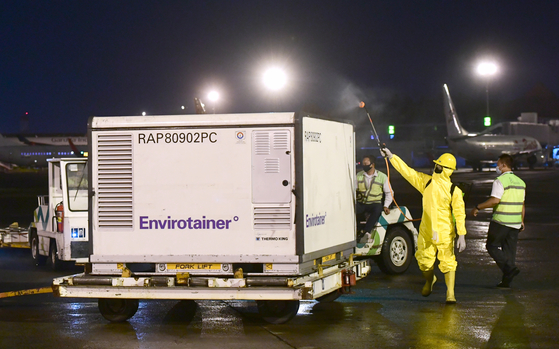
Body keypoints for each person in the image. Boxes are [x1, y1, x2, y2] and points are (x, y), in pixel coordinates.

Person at [380, 148, 466, 304]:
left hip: (445, 232)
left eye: (440, 166)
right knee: (424, 263)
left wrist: (462, 234)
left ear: (447, 170)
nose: (436, 167)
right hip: (426, 231)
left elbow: (460, 213)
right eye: (437, 165)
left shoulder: (455, 191)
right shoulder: (426, 182)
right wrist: (392, 157)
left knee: (448, 262)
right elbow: (407, 172)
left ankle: (450, 294)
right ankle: (430, 279)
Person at [470, 154, 525, 288]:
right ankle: (506, 281)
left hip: (501, 220)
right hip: (516, 222)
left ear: (504, 165)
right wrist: (522, 221)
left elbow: (495, 200)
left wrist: (478, 207)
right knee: (509, 251)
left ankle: (510, 268)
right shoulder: (521, 182)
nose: (497, 166)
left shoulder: (500, 181)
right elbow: (522, 204)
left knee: (492, 246)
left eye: (498, 164)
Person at [355, 155, 393, 241]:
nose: (364, 165)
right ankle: (355, 231)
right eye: (363, 163)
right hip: (362, 203)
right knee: (353, 211)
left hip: (375, 203)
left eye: (366, 163)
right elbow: (354, 189)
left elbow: (389, 193)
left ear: (372, 164)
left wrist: (386, 205)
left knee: (377, 210)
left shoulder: (382, 177)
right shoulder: (359, 175)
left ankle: (366, 232)